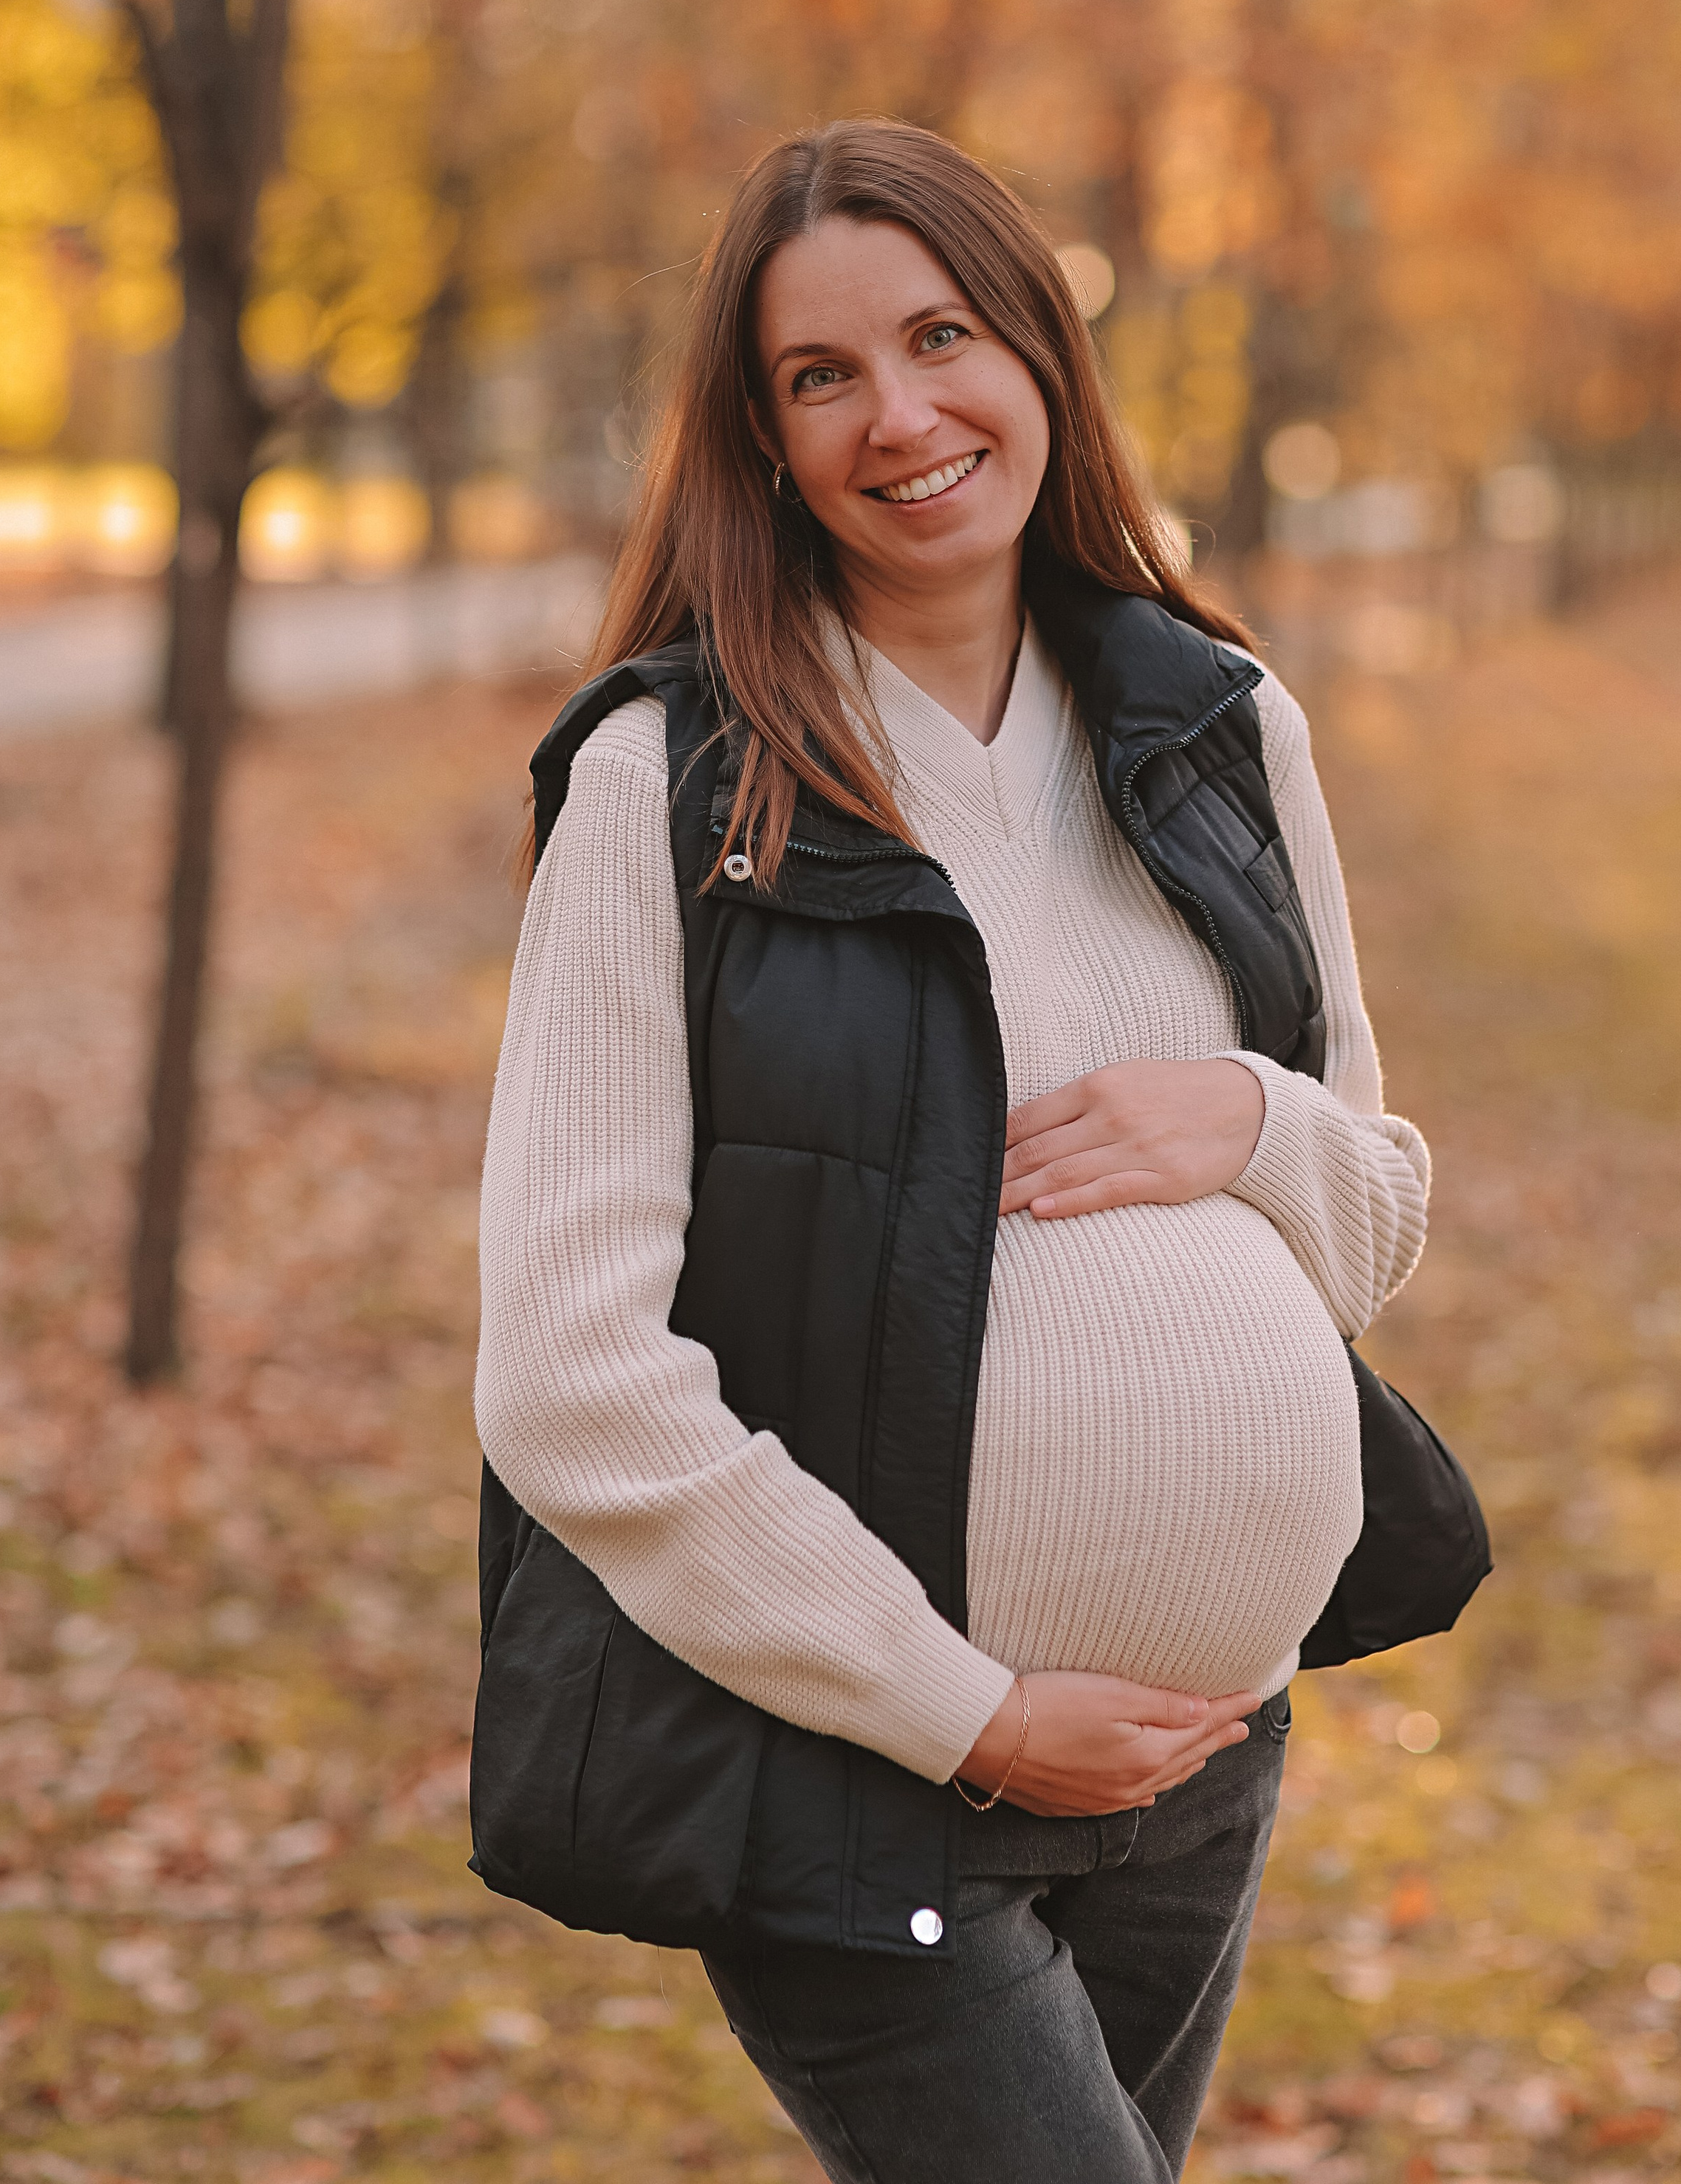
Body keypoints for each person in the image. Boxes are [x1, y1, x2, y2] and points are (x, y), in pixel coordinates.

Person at [475, 120, 1429, 2183]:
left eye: (940, 335)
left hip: (1206, 1756)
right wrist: (965, 1712)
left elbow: (1367, 1222)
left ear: (1040, 359)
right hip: (868, 1773)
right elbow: (571, 1376)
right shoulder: (674, 784)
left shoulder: (1222, 726)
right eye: (823, 375)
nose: (899, 414)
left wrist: (1247, 1119)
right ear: (764, 434)